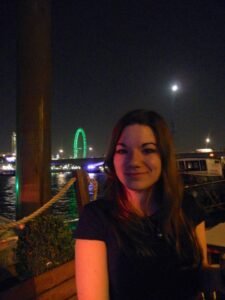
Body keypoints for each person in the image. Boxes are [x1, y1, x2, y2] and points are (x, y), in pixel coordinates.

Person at [74, 109, 224, 300]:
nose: (134, 161)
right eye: (122, 150)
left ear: (163, 156)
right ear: (113, 157)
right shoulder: (96, 219)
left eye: (148, 150)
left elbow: (200, 275)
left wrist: (214, 276)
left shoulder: (186, 207)